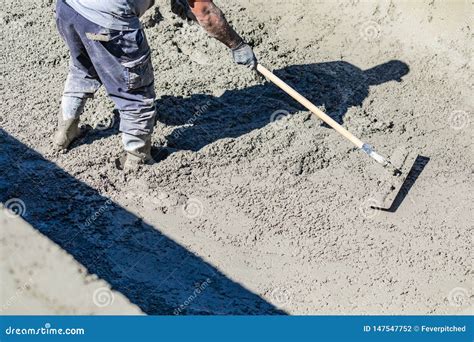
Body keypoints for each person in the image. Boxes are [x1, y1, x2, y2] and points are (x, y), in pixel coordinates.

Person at [54, 0, 257, 169]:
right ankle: (137, 157)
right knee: (135, 90)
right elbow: (205, 12)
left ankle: (65, 130)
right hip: (107, 22)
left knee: (83, 66)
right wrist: (236, 44)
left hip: (69, 10)